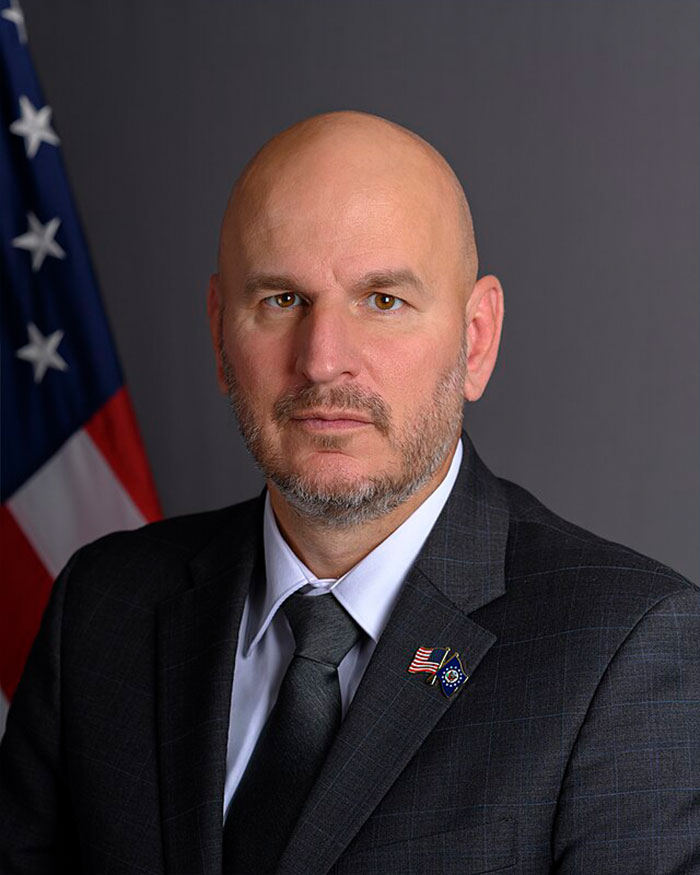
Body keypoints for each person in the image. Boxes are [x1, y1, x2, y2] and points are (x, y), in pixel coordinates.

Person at [1, 111, 698, 875]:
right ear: (219, 335)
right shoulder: (102, 609)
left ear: (475, 339)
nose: (324, 360)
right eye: (281, 300)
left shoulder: (623, 650)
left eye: (383, 300)